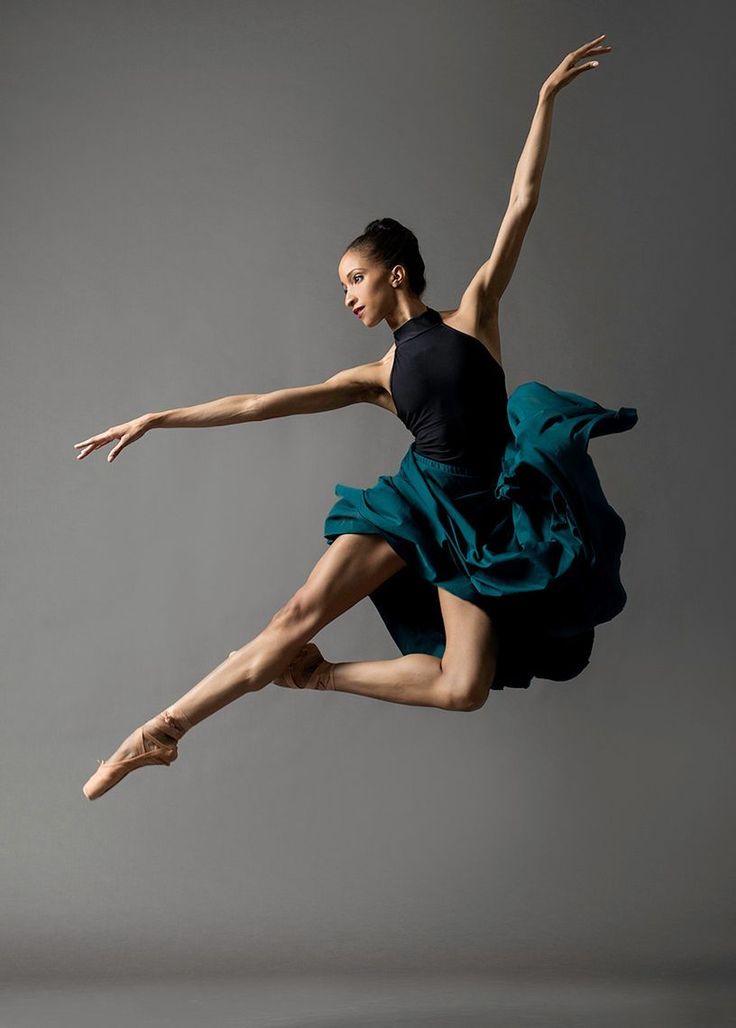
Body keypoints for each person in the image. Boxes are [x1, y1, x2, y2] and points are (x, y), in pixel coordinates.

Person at [78, 33, 635, 801]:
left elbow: (521, 205)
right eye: (344, 283)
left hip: (484, 520)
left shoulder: (475, 316)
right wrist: (157, 417)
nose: (347, 295)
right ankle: (159, 732)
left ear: (395, 272)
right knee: (297, 611)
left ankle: (318, 676)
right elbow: (255, 403)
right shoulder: (378, 374)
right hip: (418, 501)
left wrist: (542, 103)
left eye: (355, 278)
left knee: (464, 686)